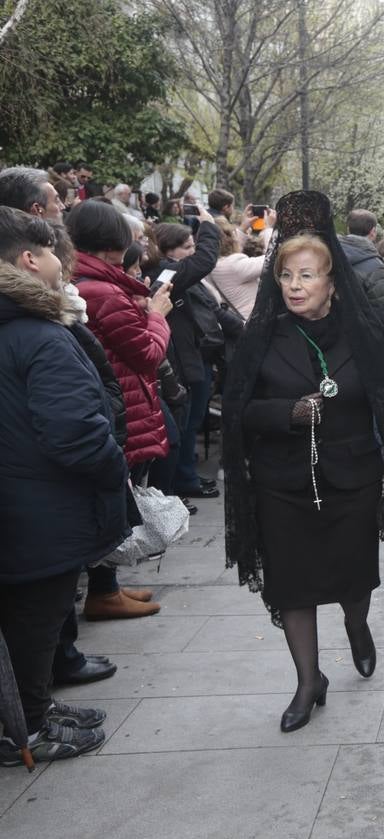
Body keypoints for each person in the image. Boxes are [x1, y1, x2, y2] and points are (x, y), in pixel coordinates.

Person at [221, 190, 384, 732]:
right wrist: (286, 413)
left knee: (353, 580)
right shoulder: (263, 338)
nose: (295, 286)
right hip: (282, 484)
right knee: (291, 586)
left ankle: (356, 626)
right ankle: (308, 681)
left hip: (352, 479)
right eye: (286, 276)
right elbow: (238, 412)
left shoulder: (363, 336)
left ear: (331, 282)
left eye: (307, 276)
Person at [0, 207, 126, 764]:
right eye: (53, 252)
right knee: (35, 622)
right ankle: (24, 731)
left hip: (24, 505)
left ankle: (33, 709)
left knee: (34, 621)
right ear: (29, 259)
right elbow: (75, 432)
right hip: (39, 510)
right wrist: (112, 470)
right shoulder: (35, 333)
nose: (60, 263)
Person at [69, 200, 173, 620]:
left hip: (122, 399)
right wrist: (158, 316)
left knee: (119, 495)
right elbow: (147, 352)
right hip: (121, 405)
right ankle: (103, 591)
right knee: (113, 499)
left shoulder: (97, 284)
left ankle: (109, 585)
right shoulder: (103, 290)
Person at [146, 219, 224, 500]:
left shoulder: (176, 275)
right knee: (181, 427)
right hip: (176, 359)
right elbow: (204, 261)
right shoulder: (165, 274)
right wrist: (208, 225)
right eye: (188, 247)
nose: (193, 252)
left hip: (193, 355)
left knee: (191, 422)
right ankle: (177, 485)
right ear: (169, 250)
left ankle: (186, 477)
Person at [207, 219, 271, 320]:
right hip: (255, 320)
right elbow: (271, 259)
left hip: (244, 318)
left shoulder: (212, 264)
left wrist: (242, 229)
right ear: (229, 240)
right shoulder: (232, 265)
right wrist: (269, 228)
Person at [338, 209, 384, 318]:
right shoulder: (376, 265)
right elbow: (381, 308)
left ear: (348, 229)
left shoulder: (329, 254)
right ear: (373, 232)